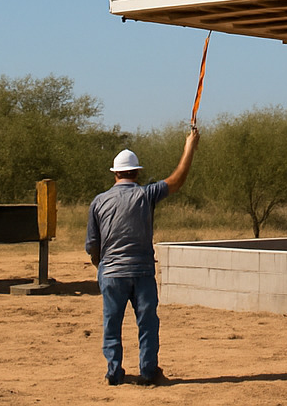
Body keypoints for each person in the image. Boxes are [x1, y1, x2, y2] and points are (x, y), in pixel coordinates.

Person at [85, 127, 199, 386]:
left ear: (115, 174)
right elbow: (177, 180)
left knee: (111, 323)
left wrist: (101, 266)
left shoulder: (99, 202)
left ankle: (114, 373)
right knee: (147, 323)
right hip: (143, 271)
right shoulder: (145, 195)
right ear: (137, 173)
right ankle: (148, 372)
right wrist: (189, 146)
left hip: (112, 273)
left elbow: (93, 244)